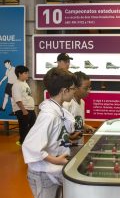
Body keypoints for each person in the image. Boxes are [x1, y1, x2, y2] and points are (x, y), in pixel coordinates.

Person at [22, 68, 77, 198]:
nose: (74, 92)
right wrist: (56, 160)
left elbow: (53, 134)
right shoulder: (48, 115)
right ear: (64, 91)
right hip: (43, 174)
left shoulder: (57, 109)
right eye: (73, 88)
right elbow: (31, 145)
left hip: (51, 172)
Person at [63, 71, 96, 156]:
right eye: (86, 88)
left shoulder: (82, 102)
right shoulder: (67, 104)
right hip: (65, 152)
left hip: (77, 148)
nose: (89, 91)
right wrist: (69, 137)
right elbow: (59, 129)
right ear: (75, 88)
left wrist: (87, 127)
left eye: (90, 88)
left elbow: (79, 121)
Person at [12, 65, 36, 146]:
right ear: (19, 74)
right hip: (23, 110)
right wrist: (24, 111)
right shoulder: (16, 85)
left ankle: (28, 143)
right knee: (24, 128)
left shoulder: (24, 83)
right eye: (25, 73)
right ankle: (23, 143)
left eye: (27, 73)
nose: (27, 75)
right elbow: (18, 100)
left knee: (33, 127)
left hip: (30, 109)